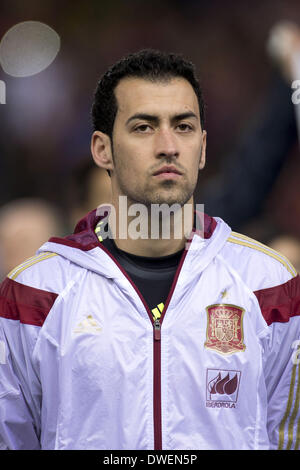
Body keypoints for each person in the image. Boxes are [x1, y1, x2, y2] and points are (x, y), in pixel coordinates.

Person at [0, 49, 299, 451]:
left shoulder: (269, 284)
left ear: (204, 147)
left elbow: (285, 437)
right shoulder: (36, 292)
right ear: (102, 149)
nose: (168, 145)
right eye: (143, 127)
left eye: (184, 127)